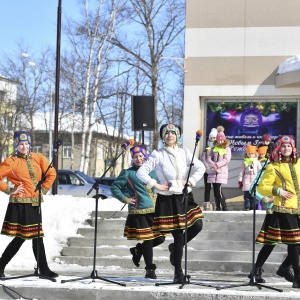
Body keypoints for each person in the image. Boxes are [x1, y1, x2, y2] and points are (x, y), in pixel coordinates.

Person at [136, 124, 205, 284]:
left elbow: (201, 167)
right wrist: (156, 184)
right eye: (166, 134)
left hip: (184, 196)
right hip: (168, 199)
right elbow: (141, 172)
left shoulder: (184, 153)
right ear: (163, 137)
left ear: (178, 136)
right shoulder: (158, 155)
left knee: (197, 225)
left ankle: (175, 249)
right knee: (179, 234)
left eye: (173, 133)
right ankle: (178, 272)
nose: (169, 136)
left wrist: (191, 181)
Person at [0, 131, 57, 279]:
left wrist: (43, 189)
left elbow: (52, 173)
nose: (24, 147)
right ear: (16, 145)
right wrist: (9, 189)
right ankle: (43, 269)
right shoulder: (11, 161)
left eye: (26, 144)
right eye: (21, 144)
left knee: (34, 236)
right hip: (20, 204)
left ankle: (42, 269)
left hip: (35, 203)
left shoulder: (38, 158)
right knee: (27, 236)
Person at [111, 145, 165, 279]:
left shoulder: (152, 172)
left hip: (154, 211)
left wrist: (159, 194)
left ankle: (138, 250)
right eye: (135, 157)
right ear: (132, 159)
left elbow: (158, 187)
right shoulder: (128, 173)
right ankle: (149, 270)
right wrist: (125, 199)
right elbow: (115, 187)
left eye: (141, 156)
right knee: (148, 240)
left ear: (145, 157)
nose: (138, 159)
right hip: (140, 211)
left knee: (161, 238)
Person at [255, 135, 300, 288]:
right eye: (283, 146)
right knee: (292, 242)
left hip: (298, 208)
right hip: (283, 208)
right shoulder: (273, 166)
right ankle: (297, 278)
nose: (286, 148)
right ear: (279, 148)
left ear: (293, 148)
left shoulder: (299, 163)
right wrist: (278, 191)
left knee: (288, 242)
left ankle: (284, 267)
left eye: (289, 146)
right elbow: (261, 187)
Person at [206, 126, 231, 211]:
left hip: (221, 172)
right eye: (218, 139)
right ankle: (217, 206)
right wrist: (213, 164)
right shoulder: (213, 149)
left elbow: (226, 159)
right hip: (213, 172)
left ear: (224, 140)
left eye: (221, 139)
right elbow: (208, 158)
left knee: (219, 190)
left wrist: (217, 165)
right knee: (215, 191)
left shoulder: (227, 149)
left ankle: (224, 206)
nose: (220, 141)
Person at [238, 144, 262, 211]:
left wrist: (260, 181)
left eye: (252, 153)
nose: (250, 155)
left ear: (255, 154)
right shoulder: (245, 162)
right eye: (249, 153)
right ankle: (247, 207)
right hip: (246, 181)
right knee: (247, 197)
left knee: (254, 196)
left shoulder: (257, 162)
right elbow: (241, 172)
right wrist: (240, 181)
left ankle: (253, 208)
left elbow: (260, 171)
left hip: (254, 181)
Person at [201, 128, 218, 210]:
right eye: (211, 138)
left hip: (215, 171)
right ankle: (206, 204)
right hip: (207, 171)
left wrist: (215, 167)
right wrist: (207, 168)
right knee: (207, 188)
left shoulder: (218, 148)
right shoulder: (207, 148)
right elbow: (203, 158)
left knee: (216, 188)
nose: (213, 139)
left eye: (214, 138)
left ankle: (216, 203)